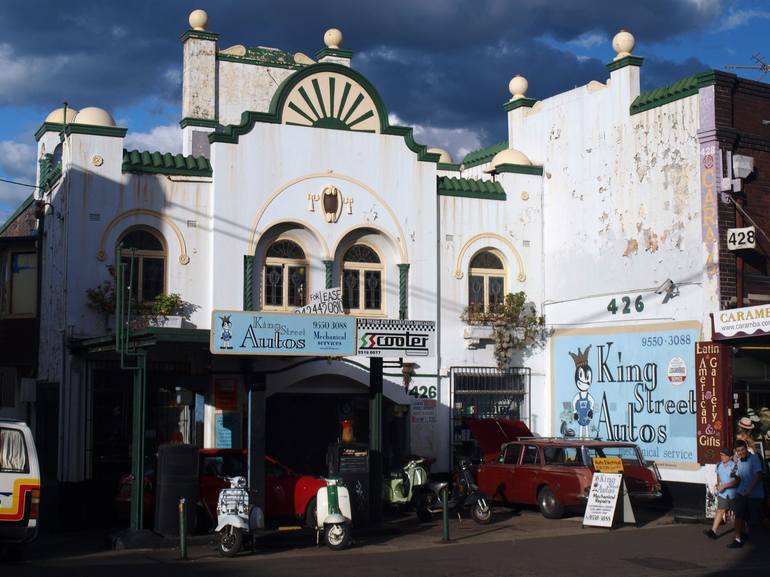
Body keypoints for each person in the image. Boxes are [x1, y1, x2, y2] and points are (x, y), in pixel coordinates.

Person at [728, 440, 761, 548]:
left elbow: (758, 475)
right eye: (738, 451)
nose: (741, 452)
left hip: (754, 494)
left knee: (756, 519)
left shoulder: (754, 458)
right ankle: (737, 539)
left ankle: (744, 534)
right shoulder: (738, 461)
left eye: (742, 450)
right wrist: (734, 475)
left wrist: (750, 490)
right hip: (741, 492)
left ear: (746, 448)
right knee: (739, 515)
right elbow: (739, 477)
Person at [704, 447, 739, 539]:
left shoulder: (734, 466)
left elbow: (737, 481)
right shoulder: (719, 465)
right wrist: (718, 483)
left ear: (730, 457)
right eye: (721, 455)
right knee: (720, 511)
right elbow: (718, 475)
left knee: (737, 514)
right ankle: (713, 531)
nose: (722, 457)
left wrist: (724, 486)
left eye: (724, 455)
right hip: (723, 493)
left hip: (733, 493)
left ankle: (739, 534)